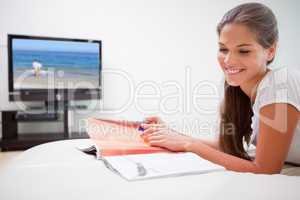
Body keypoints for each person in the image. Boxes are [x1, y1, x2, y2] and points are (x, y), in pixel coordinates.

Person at [140, 2, 300, 174]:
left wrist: (189, 145)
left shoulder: (278, 83)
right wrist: (174, 135)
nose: (229, 60)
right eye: (223, 49)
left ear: (270, 51)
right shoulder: (241, 90)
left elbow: (266, 169)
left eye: (244, 51)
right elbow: (228, 147)